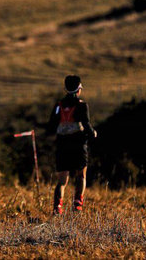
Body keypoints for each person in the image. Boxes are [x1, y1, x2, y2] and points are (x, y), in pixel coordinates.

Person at [47, 75, 97, 214]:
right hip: (78, 143)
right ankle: (77, 206)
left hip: (62, 143)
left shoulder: (58, 106)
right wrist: (93, 133)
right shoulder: (82, 105)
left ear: (65, 89)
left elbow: (51, 125)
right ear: (79, 89)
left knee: (62, 180)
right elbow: (86, 125)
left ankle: (57, 208)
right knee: (81, 176)